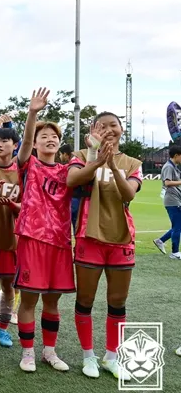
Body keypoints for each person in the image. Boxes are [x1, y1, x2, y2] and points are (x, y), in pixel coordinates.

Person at [68, 112, 142, 379]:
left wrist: (111, 165)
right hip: (90, 236)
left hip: (122, 238)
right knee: (85, 299)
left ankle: (112, 357)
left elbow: (129, 194)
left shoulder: (132, 162)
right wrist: (96, 155)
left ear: (122, 129)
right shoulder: (79, 155)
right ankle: (88, 356)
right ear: (93, 129)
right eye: (102, 125)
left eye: (114, 125)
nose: (109, 129)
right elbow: (73, 181)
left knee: (117, 301)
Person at [10, 89, 75, 373]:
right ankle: (27, 353)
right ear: (35, 143)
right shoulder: (29, 164)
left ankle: (49, 350)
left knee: (52, 299)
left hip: (60, 241)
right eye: (43, 137)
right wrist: (33, 113)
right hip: (32, 238)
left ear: (60, 145)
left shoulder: (67, 171)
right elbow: (23, 144)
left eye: (54, 137)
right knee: (29, 299)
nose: (49, 140)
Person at [0, 127, 22, 348]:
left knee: (9, 286)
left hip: (10, 239)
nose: (0, 145)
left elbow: (27, 206)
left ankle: (3, 330)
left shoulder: (22, 172)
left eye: (5, 141)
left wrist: (12, 205)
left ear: (15, 145)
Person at [158, 146, 181, 259]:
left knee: (178, 226)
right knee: (177, 227)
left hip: (175, 199)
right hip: (172, 200)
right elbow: (167, 183)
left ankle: (160, 240)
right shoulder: (169, 167)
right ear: (176, 155)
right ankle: (175, 252)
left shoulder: (174, 167)